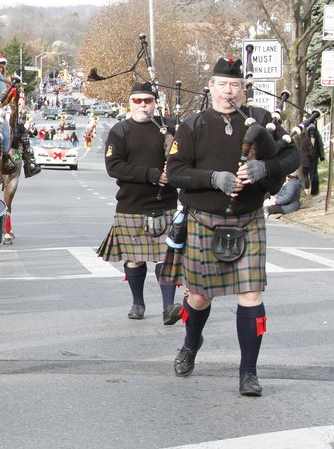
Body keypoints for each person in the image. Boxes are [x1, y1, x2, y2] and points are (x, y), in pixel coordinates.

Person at [164, 57, 300, 396]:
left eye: (235, 85)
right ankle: (191, 343)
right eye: (222, 84)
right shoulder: (192, 125)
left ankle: (248, 372)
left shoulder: (263, 121)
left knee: (251, 295)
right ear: (210, 87)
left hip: (247, 219)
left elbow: (292, 156)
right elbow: (176, 172)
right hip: (204, 220)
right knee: (198, 297)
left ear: (244, 89)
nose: (229, 91)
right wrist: (214, 179)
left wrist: (263, 170)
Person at [97, 82, 182, 323]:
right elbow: (114, 167)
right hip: (131, 203)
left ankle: (168, 307)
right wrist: (152, 175)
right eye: (138, 101)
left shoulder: (169, 128)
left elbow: (183, 157)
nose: (143, 105)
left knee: (166, 256)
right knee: (134, 258)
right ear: (130, 103)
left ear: (155, 103)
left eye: (147, 100)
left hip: (165, 202)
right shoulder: (120, 130)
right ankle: (138, 302)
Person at [298, 122, 323, 196]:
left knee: (308, 175)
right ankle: (313, 191)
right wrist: (312, 154)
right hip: (308, 158)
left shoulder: (310, 128)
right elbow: (312, 143)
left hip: (303, 159)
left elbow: (312, 140)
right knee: (312, 174)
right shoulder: (308, 134)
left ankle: (310, 191)